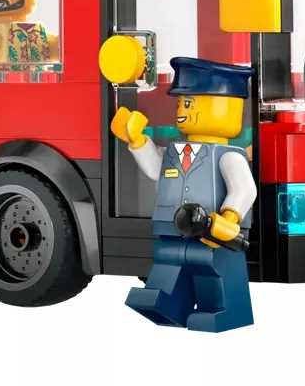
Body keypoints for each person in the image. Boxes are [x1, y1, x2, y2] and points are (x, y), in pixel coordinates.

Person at [110, 56, 256, 332]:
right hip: (171, 226)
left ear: (222, 106)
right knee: (170, 262)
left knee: (213, 270)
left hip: (211, 230)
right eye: (180, 103)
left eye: (188, 103)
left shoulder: (228, 156)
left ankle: (223, 311)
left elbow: (244, 189)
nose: (181, 110)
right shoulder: (175, 151)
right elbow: (155, 169)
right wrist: (137, 140)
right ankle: (168, 305)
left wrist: (229, 218)